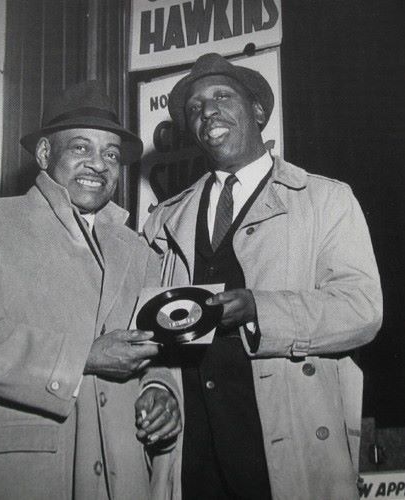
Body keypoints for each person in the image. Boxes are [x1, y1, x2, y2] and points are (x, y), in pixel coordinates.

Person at [143, 53, 382, 499]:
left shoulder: (324, 200)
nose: (207, 111)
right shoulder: (164, 220)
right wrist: (158, 386)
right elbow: (157, 336)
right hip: (195, 456)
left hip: (286, 451)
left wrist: (260, 310)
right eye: (195, 107)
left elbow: (362, 311)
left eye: (221, 97)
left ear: (256, 110)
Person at [0, 81, 181, 500]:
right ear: (45, 154)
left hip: (125, 477)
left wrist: (159, 389)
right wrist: (87, 357)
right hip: (24, 479)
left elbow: (159, 349)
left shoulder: (139, 251)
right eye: (81, 147)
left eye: (111, 154)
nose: (98, 164)